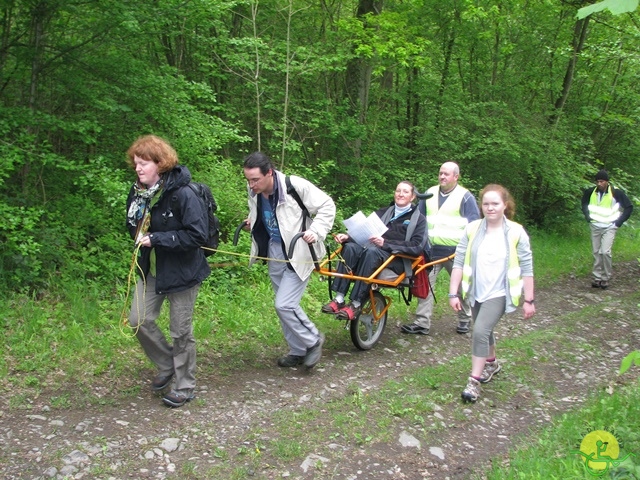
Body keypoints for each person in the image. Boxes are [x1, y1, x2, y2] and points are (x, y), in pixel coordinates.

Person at [125, 134, 211, 408]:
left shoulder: (183, 193)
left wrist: (158, 239)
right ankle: (167, 363)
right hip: (151, 270)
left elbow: (197, 235)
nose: (138, 169)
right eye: (136, 163)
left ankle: (185, 385)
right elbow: (132, 226)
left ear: (160, 164)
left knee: (180, 332)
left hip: (183, 272)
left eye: (144, 163)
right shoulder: (139, 193)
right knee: (138, 320)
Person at [243, 152, 335, 369]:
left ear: (269, 173)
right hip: (274, 250)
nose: (251, 184)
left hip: (299, 251)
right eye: (248, 180)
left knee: (284, 304)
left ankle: (313, 339)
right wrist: (252, 221)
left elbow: (327, 206)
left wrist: (316, 230)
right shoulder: (254, 191)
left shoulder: (294, 185)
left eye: (255, 179)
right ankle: (297, 350)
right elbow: (263, 214)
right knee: (282, 305)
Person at [448, 184, 535, 402]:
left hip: (500, 292)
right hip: (476, 291)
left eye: (495, 203)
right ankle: (492, 363)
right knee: (485, 330)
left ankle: (473, 381)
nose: (490, 208)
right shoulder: (472, 229)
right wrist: (453, 293)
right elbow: (459, 260)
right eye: (486, 203)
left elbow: (527, 266)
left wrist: (529, 300)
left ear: (505, 205)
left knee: (479, 331)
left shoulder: (516, 231)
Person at [321, 181, 427, 320]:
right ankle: (339, 299)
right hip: (373, 252)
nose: (401, 194)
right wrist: (348, 237)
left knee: (371, 252)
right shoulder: (382, 212)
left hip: (397, 258)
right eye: (398, 190)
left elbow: (416, 246)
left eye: (405, 192)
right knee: (350, 247)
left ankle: (356, 303)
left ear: (412, 197)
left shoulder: (419, 219)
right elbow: (365, 232)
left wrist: (386, 243)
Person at [401, 162, 480, 336]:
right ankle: (422, 322)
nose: (442, 177)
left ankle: (465, 318)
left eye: (446, 174)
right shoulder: (430, 193)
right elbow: (419, 219)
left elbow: (475, 226)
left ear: (456, 177)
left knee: (461, 287)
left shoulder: (465, 197)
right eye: (440, 173)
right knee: (425, 285)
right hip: (431, 250)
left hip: (456, 252)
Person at [580, 169, 633, 290]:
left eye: (601, 181)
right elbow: (583, 203)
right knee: (596, 252)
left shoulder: (616, 193)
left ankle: (605, 277)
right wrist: (588, 217)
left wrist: (618, 223)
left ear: (607, 182)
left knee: (605, 252)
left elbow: (629, 207)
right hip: (595, 226)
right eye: (597, 181)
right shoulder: (590, 192)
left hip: (610, 226)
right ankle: (597, 278)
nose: (599, 184)